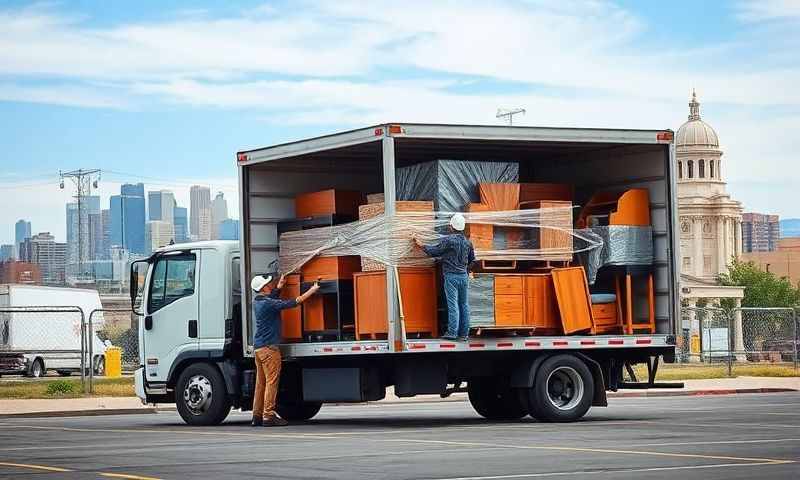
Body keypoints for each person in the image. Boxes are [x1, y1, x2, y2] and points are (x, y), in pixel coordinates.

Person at [251, 273, 320, 427]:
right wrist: (312, 290)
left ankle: (257, 415)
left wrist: (280, 287)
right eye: (268, 283)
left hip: (259, 348)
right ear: (263, 288)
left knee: (261, 383)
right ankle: (268, 415)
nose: (271, 284)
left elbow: (272, 299)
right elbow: (294, 302)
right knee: (272, 382)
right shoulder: (268, 304)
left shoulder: (258, 302)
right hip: (269, 349)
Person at [414, 213, 475, 341]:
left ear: (451, 227)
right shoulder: (468, 243)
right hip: (463, 276)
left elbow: (435, 251)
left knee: (453, 305)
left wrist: (421, 245)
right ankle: (464, 334)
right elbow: (473, 260)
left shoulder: (448, 241)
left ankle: (452, 332)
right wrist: (466, 269)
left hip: (451, 276)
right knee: (464, 304)